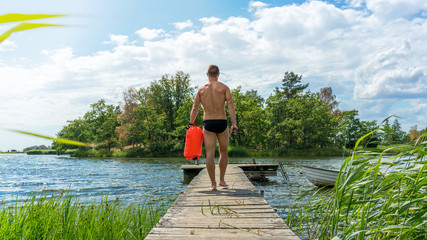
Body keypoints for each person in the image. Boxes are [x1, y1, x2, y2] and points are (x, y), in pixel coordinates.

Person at [189, 65, 238, 191]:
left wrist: (191, 124)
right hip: (222, 122)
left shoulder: (201, 90)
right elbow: (231, 106)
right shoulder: (224, 88)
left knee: (209, 153)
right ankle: (222, 180)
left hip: (208, 123)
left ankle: (213, 184)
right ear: (218, 74)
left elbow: (195, 108)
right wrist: (234, 124)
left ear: (207, 74)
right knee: (223, 152)